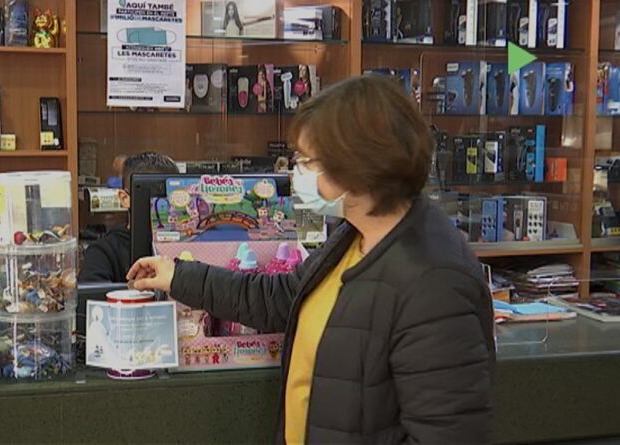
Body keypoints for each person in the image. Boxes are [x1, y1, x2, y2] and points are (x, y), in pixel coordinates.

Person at [127, 74, 495, 444]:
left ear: (357, 163)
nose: (296, 171)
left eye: (307, 160)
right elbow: (279, 298)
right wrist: (178, 276)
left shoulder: (434, 281)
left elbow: (446, 433)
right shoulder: (354, 236)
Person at [80, 152, 179, 283]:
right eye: (152, 196)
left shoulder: (186, 244)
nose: (163, 207)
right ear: (124, 198)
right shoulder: (102, 252)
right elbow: (93, 293)